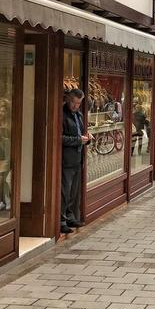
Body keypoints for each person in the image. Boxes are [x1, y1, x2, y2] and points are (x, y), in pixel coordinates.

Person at [61, 89, 90, 234]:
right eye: (73, 102)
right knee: (64, 191)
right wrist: (78, 140)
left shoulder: (79, 115)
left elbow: (82, 134)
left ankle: (70, 216)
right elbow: (59, 137)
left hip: (78, 159)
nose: (75, 105)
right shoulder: (62, 114)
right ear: (68, 99)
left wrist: (87, 138)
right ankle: (61, 220)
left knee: (73, 192)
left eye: (78, 103)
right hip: (66, 159)